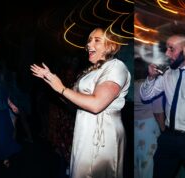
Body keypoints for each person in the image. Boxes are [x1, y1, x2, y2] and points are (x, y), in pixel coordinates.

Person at [30, 27, 130, 177]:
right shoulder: (92, 70)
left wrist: (62, 89)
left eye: (97, 40)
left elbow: (96, 105)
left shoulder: (116, 67)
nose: (89, 44)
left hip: (103, 134)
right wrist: (52, 82)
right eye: (89, 40)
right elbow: (74, 102)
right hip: (84, 129)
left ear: (112, 46)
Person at [139, 34, 185, 178]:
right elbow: (146, 96)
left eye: (172, 49)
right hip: (168, 137)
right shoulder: (167, 74)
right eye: (166, 49)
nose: (167, 53)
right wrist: (151, 77)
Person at [133, 79, 164, 178]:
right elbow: (158, 112)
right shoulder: (152, 86)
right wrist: (164, 130)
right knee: (147, 164)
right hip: (148, 126)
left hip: (134, 126)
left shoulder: (130, 84)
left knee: (135, 163)